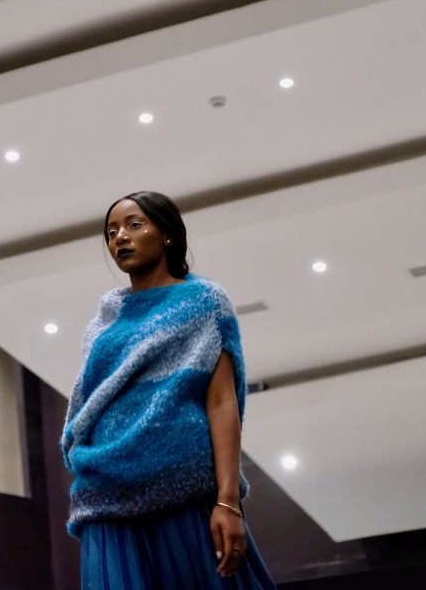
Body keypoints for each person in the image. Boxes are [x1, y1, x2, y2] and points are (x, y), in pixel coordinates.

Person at [60, 191, 277, 589]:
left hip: (182, 487)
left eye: (134, 225)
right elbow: (89, 403)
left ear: (168, 235)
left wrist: (227, 501)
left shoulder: (203, 301)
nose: (120, 237)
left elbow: (221, 402)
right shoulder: (102, 323)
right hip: (104, 494)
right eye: (111, 232)